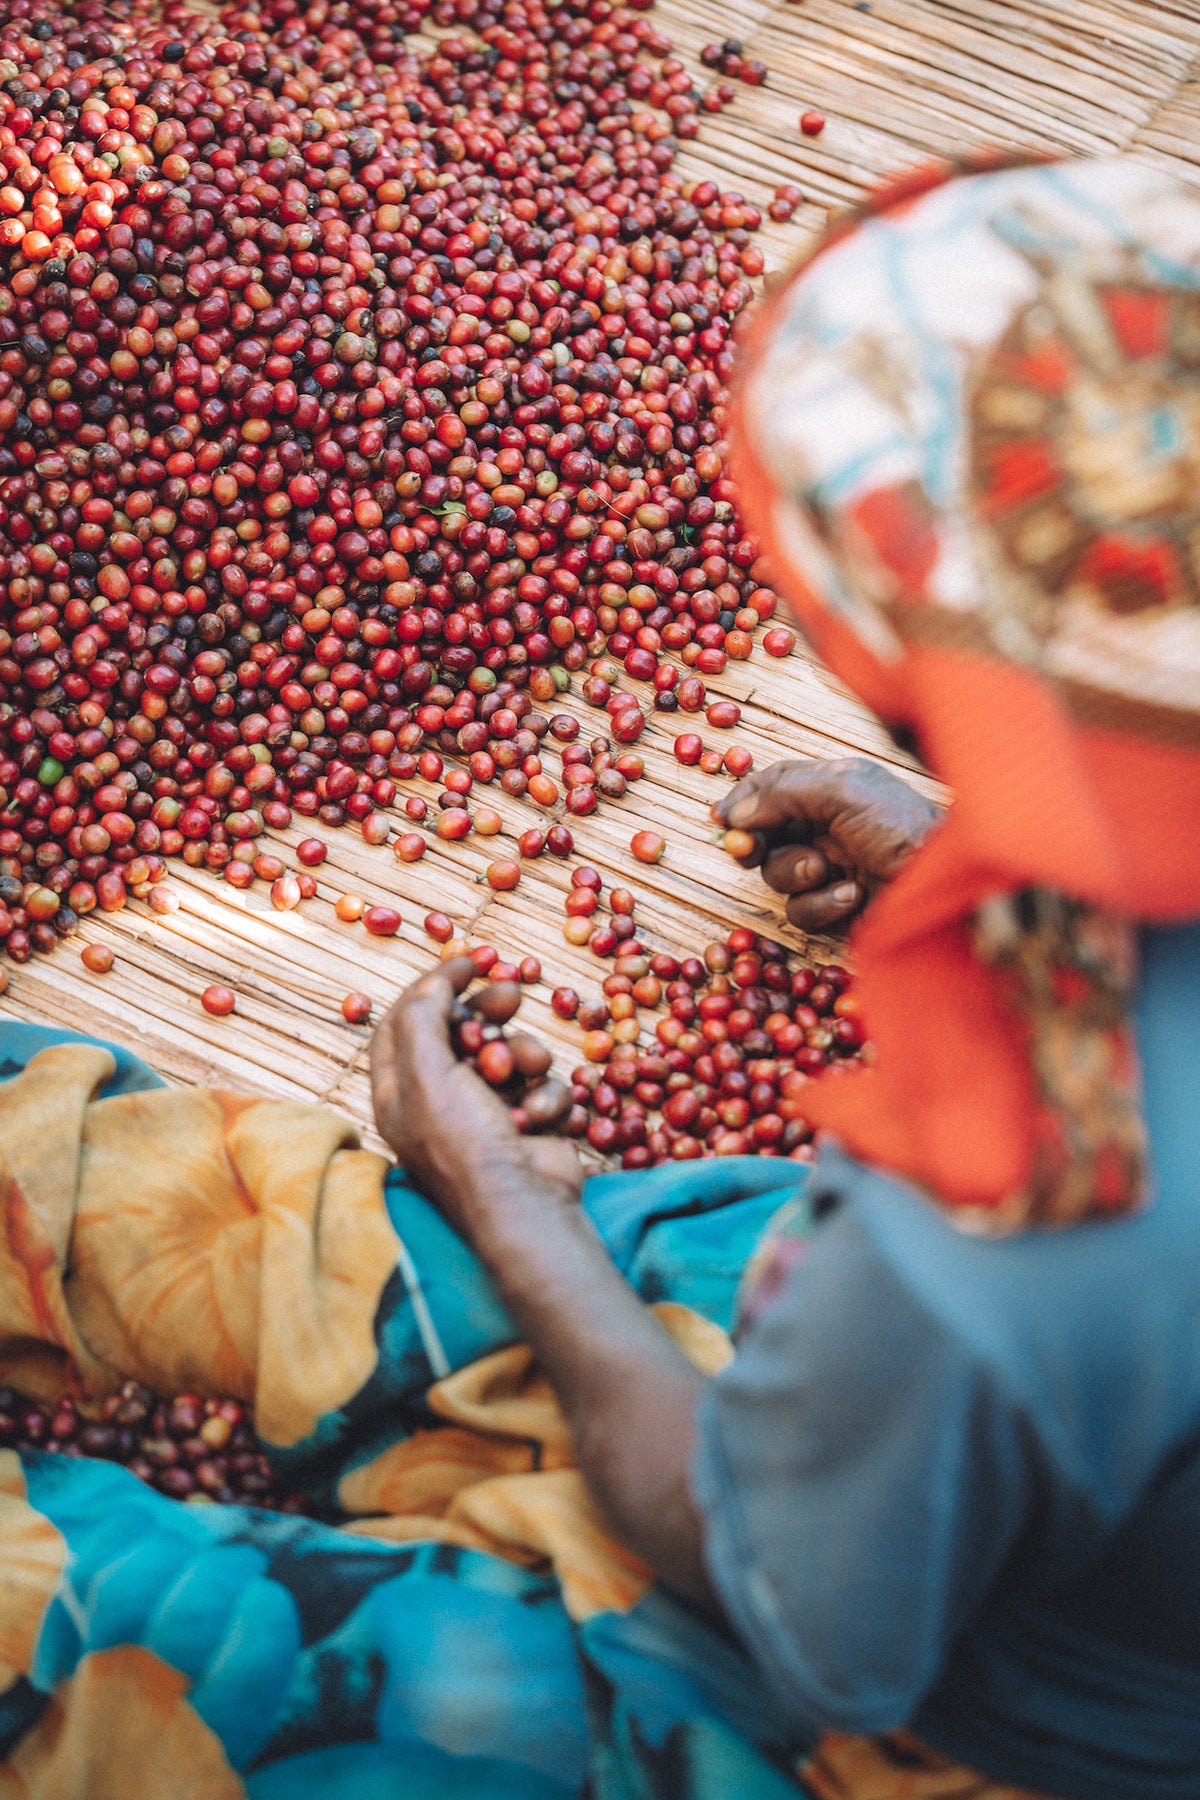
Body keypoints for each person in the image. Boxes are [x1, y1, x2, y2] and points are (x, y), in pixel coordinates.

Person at [0, 153, 1198, 1800]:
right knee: (234, 1215)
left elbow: (786, 1596)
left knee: (125, 1638)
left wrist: (508, 1201)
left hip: (929, 1704)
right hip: (1081, 1480)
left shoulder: (1017, 1191)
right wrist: (992, 872)